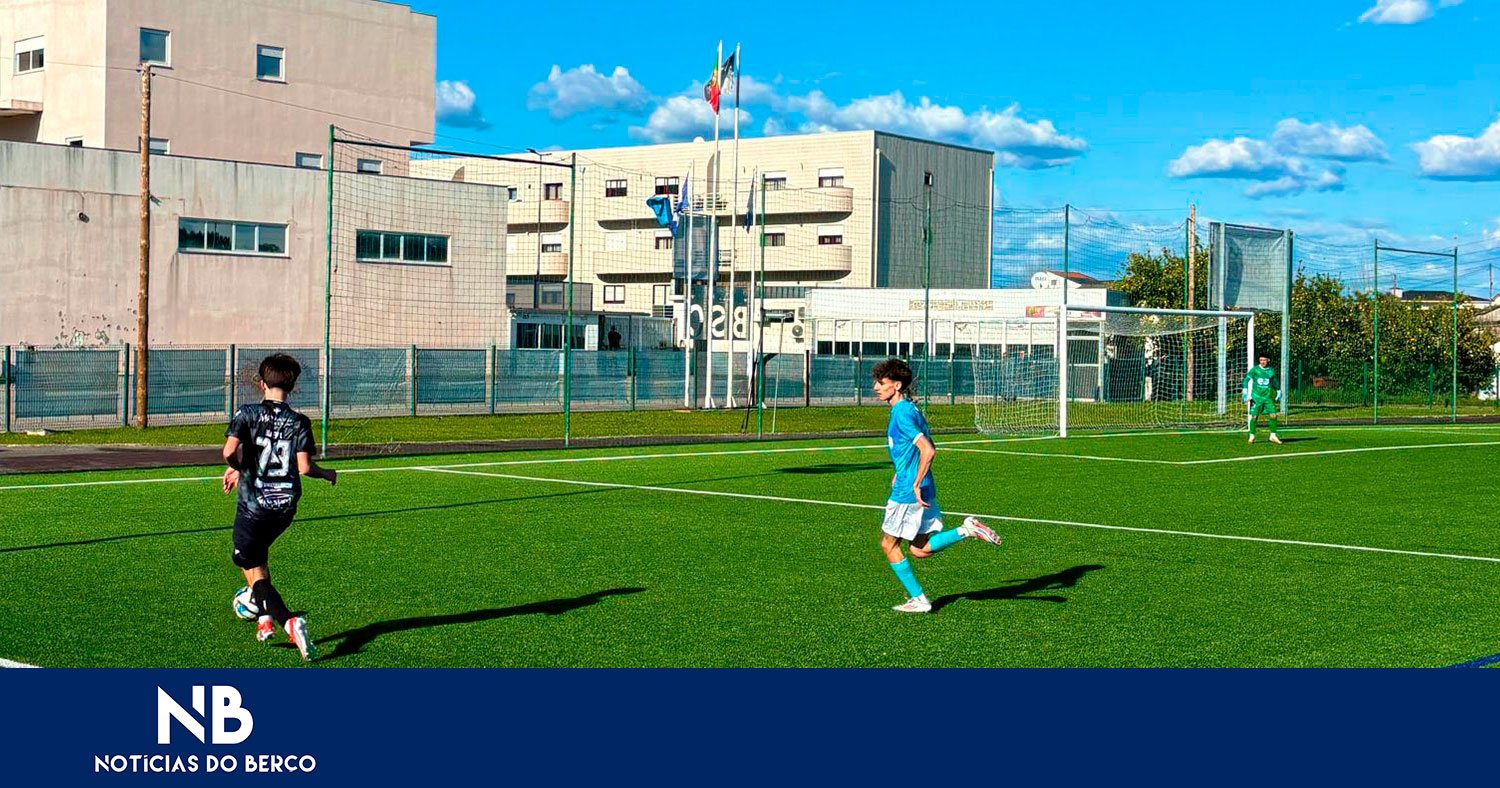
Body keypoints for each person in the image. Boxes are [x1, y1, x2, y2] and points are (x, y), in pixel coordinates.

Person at [222, 354, 337, 661]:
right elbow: (303, 467)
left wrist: (239, 467)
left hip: (253, 506)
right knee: (257, 558)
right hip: (285, 508)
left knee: (248, 563)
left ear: (261, 383)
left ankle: (287, 619)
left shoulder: (246, 413)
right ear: (293, 387)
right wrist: (327, 474)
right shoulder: (299, 422)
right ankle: (263, 617)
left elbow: (229, 451)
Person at [872, 358, 1003, 614]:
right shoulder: (911, 409)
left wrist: (915, 482)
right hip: (921, 486)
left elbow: (928, 450)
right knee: (919, 549)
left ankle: (919, 600)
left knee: (889, 545)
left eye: (881, 383)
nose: (876, 387)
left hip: (910, 492)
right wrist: (903, 473)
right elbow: (916, 449)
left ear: (896, 385)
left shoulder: (901, 413)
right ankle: (966, 530)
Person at [1242, 355, 1282, 445]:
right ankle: (1252, 435)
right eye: (1261, 360)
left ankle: (1273, 436)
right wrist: (1245, 391)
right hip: (1256, 398)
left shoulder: (1271, 370)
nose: (1262, 362)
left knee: (1273, 415)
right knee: (1254, 417)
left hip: (1267, 397)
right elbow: (1246, 380)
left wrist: (1278, 390)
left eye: (1264, 360)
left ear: (1268, 360)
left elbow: (1274, 381)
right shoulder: (1255, 370)